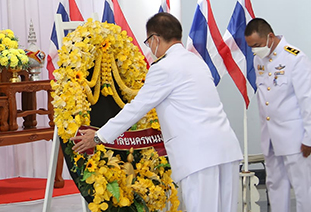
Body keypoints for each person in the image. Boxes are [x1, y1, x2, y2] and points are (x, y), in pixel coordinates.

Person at [74, 12, 242, 212]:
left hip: (199, 157)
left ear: (155, 39)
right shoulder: (197, 61)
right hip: (226, 150)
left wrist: (99, 136)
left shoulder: (164, 67)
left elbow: (136, 108)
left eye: (148, 42)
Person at [244, 17, 311, 212]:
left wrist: (309, 136)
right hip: (271, 137)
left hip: (295, 138)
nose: (254, 50)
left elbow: (307, 100)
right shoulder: (259, 60)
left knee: (302, 188)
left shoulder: (295, 58)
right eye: (251, 47)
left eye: (256, 45)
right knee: (274, 185)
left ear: (270, 37)